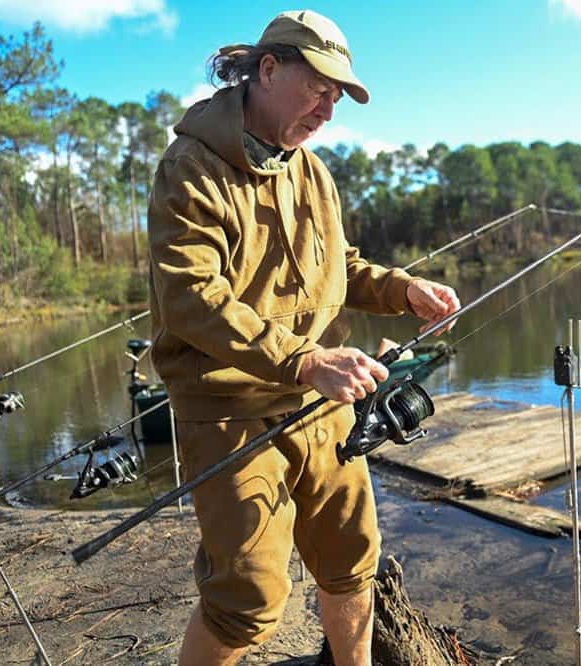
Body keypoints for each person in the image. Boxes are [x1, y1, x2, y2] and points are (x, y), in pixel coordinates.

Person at [147, 10, 460, 666]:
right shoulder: (191, 166)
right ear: (268, 70)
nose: (328, 109)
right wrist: (304, 359)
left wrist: (403, 292)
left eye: (338, 97)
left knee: (352, 563)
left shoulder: (312, 173)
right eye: (318, 89)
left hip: (320, 402)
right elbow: (191, 298)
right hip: (227, 408)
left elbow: (338, 268)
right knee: (249, 598)